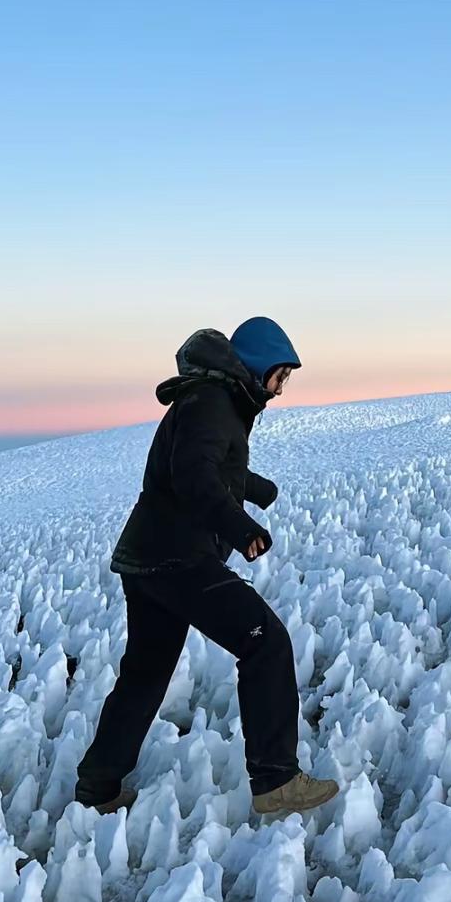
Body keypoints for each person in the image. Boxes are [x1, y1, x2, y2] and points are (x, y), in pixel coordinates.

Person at [75, 317, 340, 817]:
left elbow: (211, 464)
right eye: (280, 376)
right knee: (264, 638)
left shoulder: (210, 400)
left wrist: (255, 488)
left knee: (145, 674)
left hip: (147, 558)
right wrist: (242, 529)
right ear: (260, 367)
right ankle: (277, 779)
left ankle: (97, 787)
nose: (281, 390)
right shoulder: (215, 403)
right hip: (178, 557)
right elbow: (194, 476)